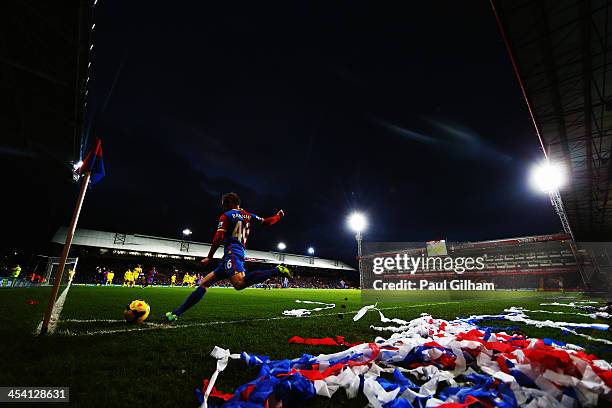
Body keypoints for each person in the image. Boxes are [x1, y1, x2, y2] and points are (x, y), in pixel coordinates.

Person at [166, 192, 292, 321]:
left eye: (223, 205)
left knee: (239, 284)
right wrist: (278, 216)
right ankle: (176, 313)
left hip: (232, 252)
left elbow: (219, 237)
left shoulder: (226, 215)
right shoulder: (249, 216)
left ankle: (276, 270)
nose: (223, 208)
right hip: (233, 254)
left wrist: (209, 256)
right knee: (204, 284)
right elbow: (267, 222)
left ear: (229, 203)